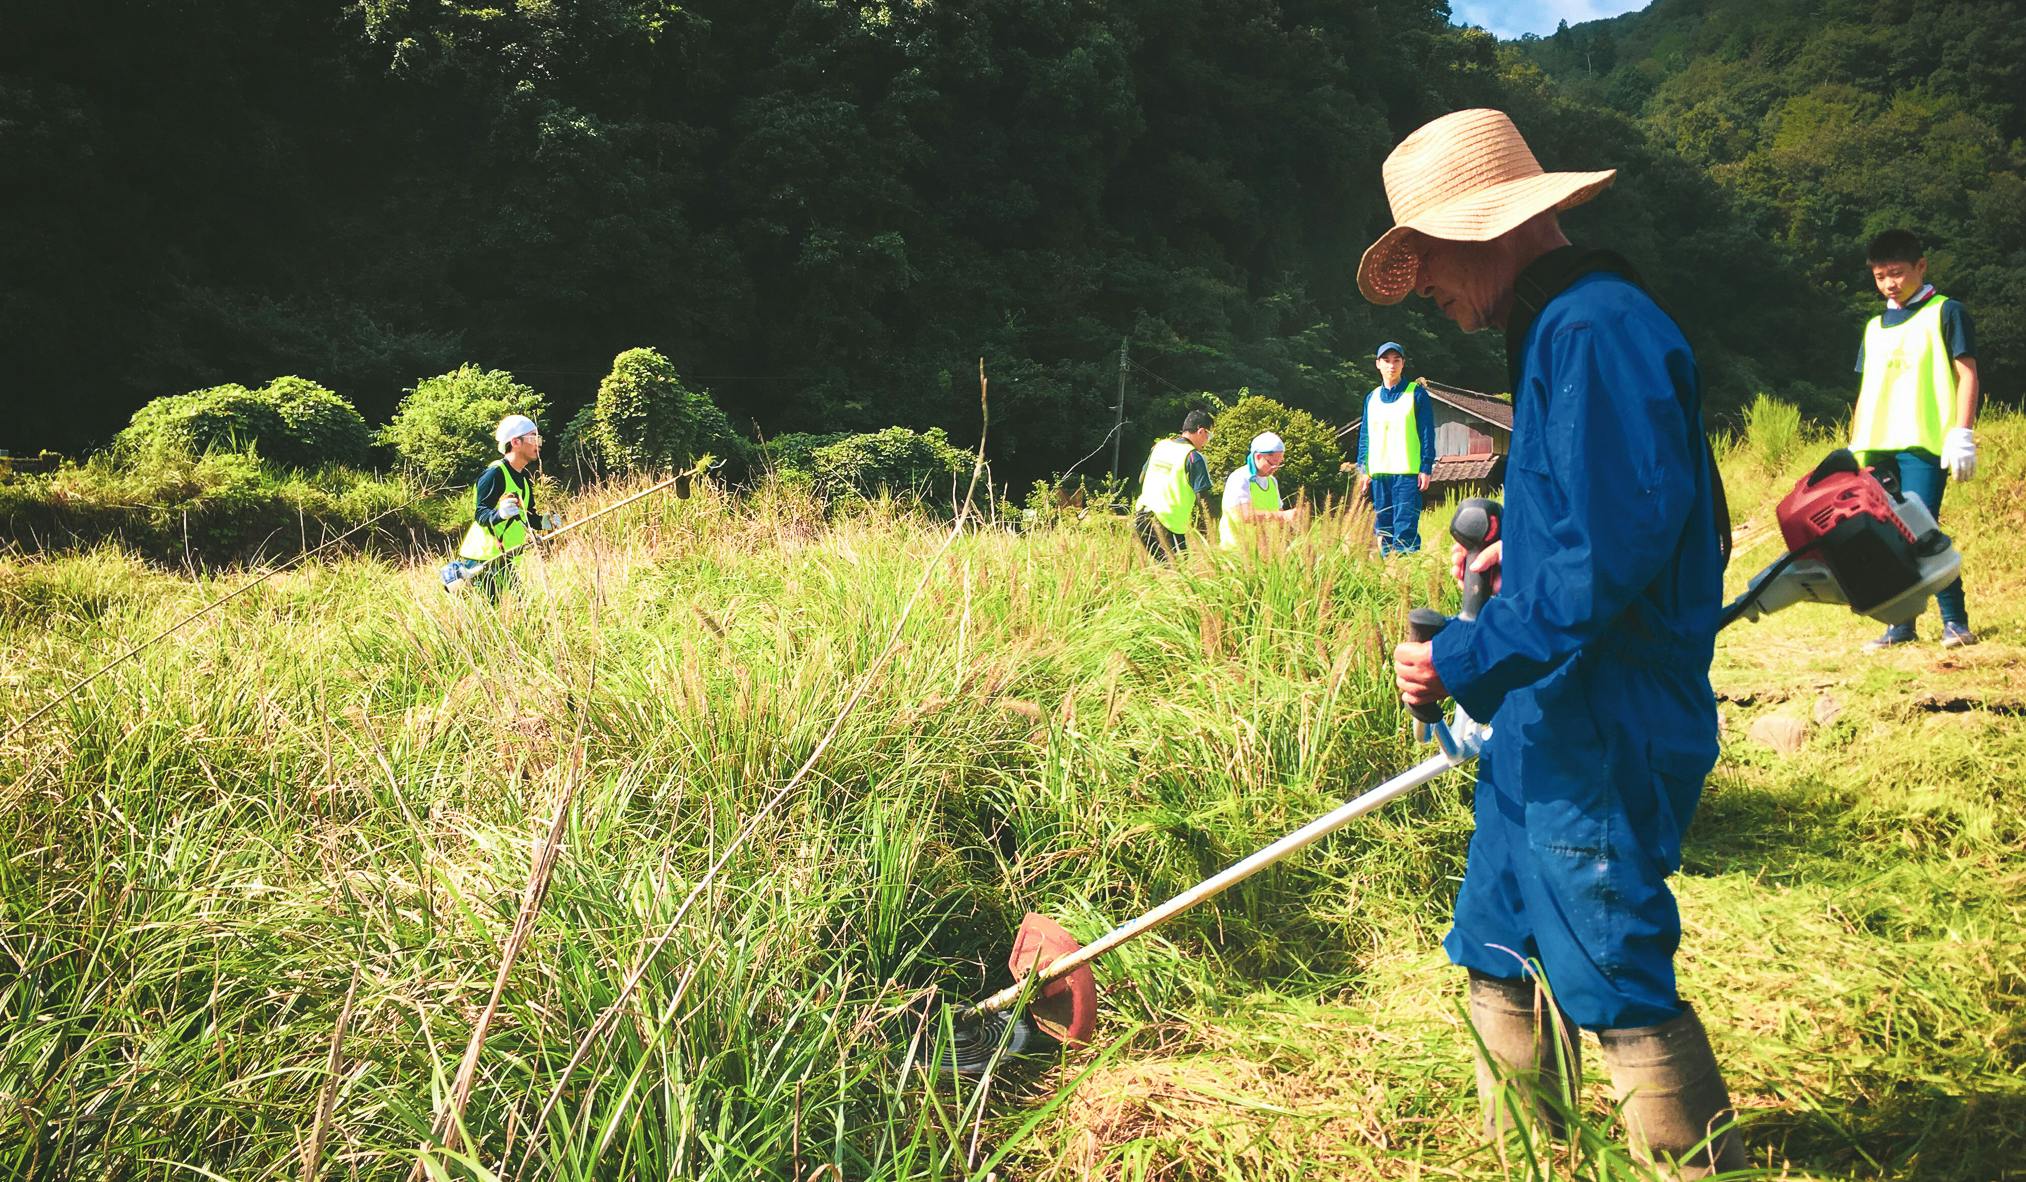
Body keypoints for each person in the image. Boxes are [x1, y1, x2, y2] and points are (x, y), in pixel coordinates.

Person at [1365, 109, 1744, 1174]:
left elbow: (1605, 562)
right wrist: (1504, 562)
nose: (1428, 291)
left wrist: (1462, 658)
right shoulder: (1553, 330)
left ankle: (1682, 1162)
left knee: (1606, 952)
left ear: (1488, 230)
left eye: (1429, 259)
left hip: (1603, 705)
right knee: (1493, 932)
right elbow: (1590, 521)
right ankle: (1530, 1155)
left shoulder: (1594, 328)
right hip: (1548, 703)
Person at [1850, 228, 1980, 650]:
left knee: (1922, 529)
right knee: (1885, 534)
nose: (1890, 283)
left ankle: (1955, 622)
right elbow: (1865, 389)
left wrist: (1962, 433)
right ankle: (1901, 624)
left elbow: (1967, 374)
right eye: (1881, 276)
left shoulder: (1946, 311)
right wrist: (1855, 448)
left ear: (1920, 267)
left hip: (1923, 441)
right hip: (1877, 443)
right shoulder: (1874, 327)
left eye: (1898, 273)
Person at [443, 414, 561, 599]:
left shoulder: (524, 477)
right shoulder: (494, 474)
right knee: (507, 610)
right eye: (533, 438)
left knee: (517, 609)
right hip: (482, 559)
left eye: (539, 438)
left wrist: (544, 522)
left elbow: (526, 516)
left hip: (504, 558)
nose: (538, 443)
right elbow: (481, 514)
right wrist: (499, 514)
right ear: (515, 442)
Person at [1357, 342, 1436, 553]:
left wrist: (1426, 466)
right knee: (1384, 528)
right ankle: (1388, 574)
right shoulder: (1371, 398)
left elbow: (1427, 433)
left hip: (1407, 473)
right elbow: (1365, 435)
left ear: (1403, 364)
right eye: (1386, 361)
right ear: (1378, 364)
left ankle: (1405, 573)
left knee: (1405, 526)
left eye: (1396, 361)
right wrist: (1363, 470)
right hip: (1379, 473)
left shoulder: (1416, 394)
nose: (1391, 366)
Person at [1132, 410, 1215, 560]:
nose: (1207, 441)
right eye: (1209, 436)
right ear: (1201, 431)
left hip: (1141, 519)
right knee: (1179, 576)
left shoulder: (1160, 447)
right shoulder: (1193, 457)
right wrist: (1210, 533)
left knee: (1164, 573)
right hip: (1167, 526)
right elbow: (1204, 501)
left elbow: (1141, 479)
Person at [1218, 432, 1302, 550]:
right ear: (1258, 456)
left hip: (1265, 553)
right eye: (1272, 464)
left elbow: (1279, 513)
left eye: (1279, 464)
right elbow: (1245, 515)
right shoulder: (1240, 478)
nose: (1275, 469)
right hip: (1237, 554)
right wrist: (1283, 516)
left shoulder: (1272, 481)